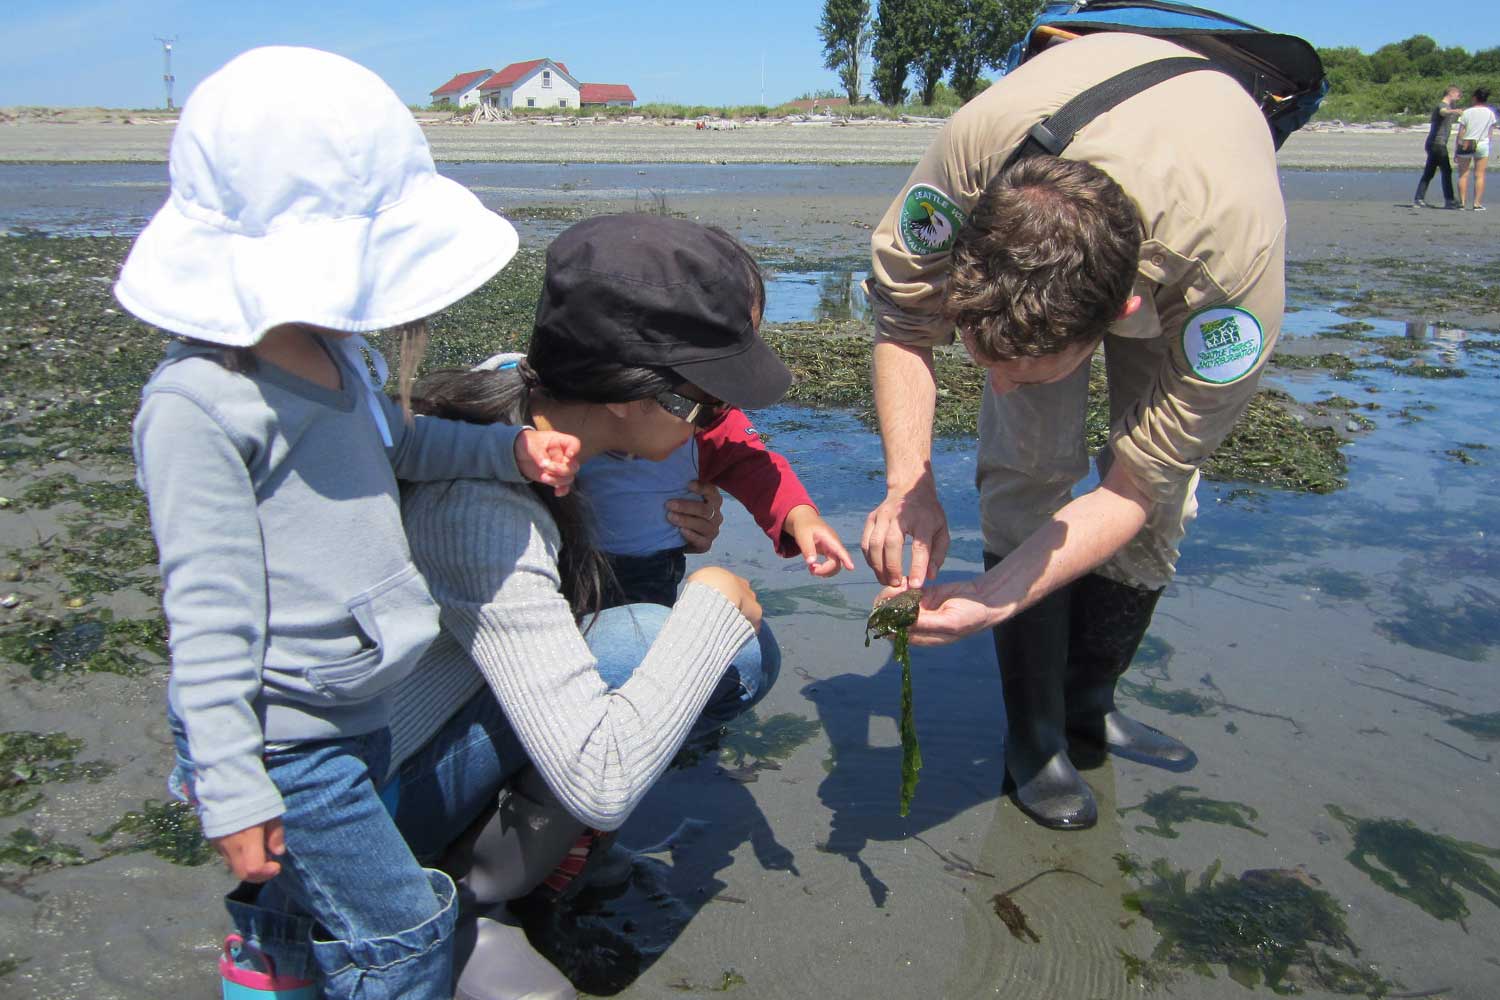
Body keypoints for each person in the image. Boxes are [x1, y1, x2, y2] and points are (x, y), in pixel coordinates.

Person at [123, 47, 581, 1000]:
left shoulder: (340, 354)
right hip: (287, 734)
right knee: (407, 928)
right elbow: (204, 615)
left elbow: (401, 449)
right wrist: (231, 781)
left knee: (306, 907)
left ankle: (268, 975)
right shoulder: (203, 404)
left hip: (362, 700)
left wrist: (508, 454)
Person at [861, 32, 1285, 830]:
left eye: (1022, 366)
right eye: (984, 357)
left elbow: (1139, 479)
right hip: (1052, 137)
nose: (995, 384)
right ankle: (1037, 737)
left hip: (1192, 227)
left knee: (1164, 498)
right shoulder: (967, 167)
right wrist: (907, 482)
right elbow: (902, 318)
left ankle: (1092, 700)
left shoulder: (1232, 283)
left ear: (1118, 319)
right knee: (1023, 465)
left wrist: (989, 599)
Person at [381, 215, 788, 1000]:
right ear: (643, 396)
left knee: (702, 650)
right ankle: (461, 884)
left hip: (448, 720)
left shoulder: (534, 422)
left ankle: (510, 862)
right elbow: (600, 778)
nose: (716, 424)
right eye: (708, 405)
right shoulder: (482, 507)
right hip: (375, 795)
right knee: (722, 647)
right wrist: (707, 599)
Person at [575, 227, 854, 607]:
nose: (721, 395)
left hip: (648, 582)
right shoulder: (548, 428)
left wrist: (801, 518)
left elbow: (752, 465)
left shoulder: (703, 416)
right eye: (710, 378)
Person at [1414, 84, 1463, 209]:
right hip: (1437, 143)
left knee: (1429, 172)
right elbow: (1443, 112)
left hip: (1435, 143)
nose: (1459, 97)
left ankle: (1419, 199)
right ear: (1451, 93)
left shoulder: (1451, 106)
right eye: (1458, 94)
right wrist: (1454, 111)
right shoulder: (1442, 105)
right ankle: (1449, 200)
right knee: (1446, 171)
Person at [1455, 87, 1497, 211]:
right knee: (1480, 175)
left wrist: (1458, 147)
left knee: (1463, 174)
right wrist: (1488, 144)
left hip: (1467, 143)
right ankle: (1477, 204)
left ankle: (1462, 203)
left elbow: (1461, 132)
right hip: (1482, 143)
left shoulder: (1467, 112)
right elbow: (1490, 132)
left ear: (1475, 98)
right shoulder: (1490, 113)